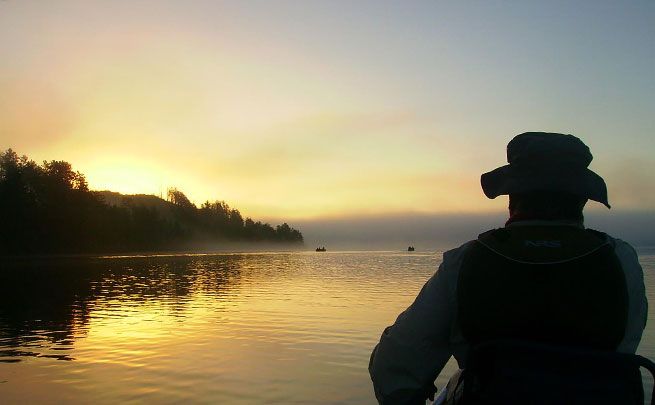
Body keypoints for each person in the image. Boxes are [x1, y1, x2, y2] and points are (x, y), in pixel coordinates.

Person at [368, 132, 648, 404]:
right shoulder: (621, 259)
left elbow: (395, 369)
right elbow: (622, 352)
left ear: (511, 193)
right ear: (582, 197)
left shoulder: (465, 261)